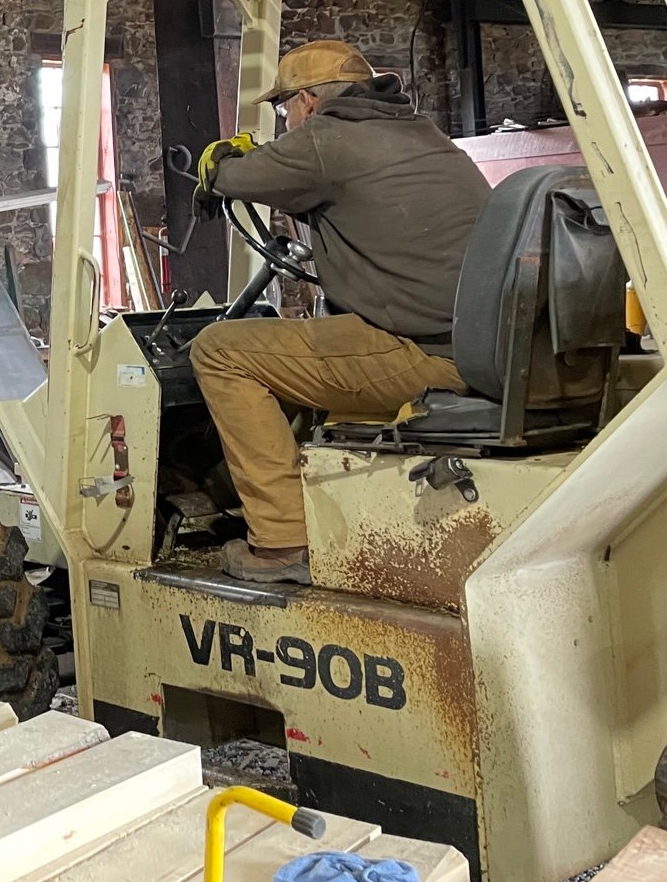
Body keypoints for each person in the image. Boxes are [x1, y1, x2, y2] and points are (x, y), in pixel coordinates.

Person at [190, 40, 489, 586]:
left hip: (425, 353)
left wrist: (222, 160)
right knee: (302, 339)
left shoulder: (326, 141)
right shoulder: (427, 136)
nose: (286, 122)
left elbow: (235, 178)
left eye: (284, 110)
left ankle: (280, 542)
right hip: (476, 341)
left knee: (219, 350)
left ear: (306, 101)